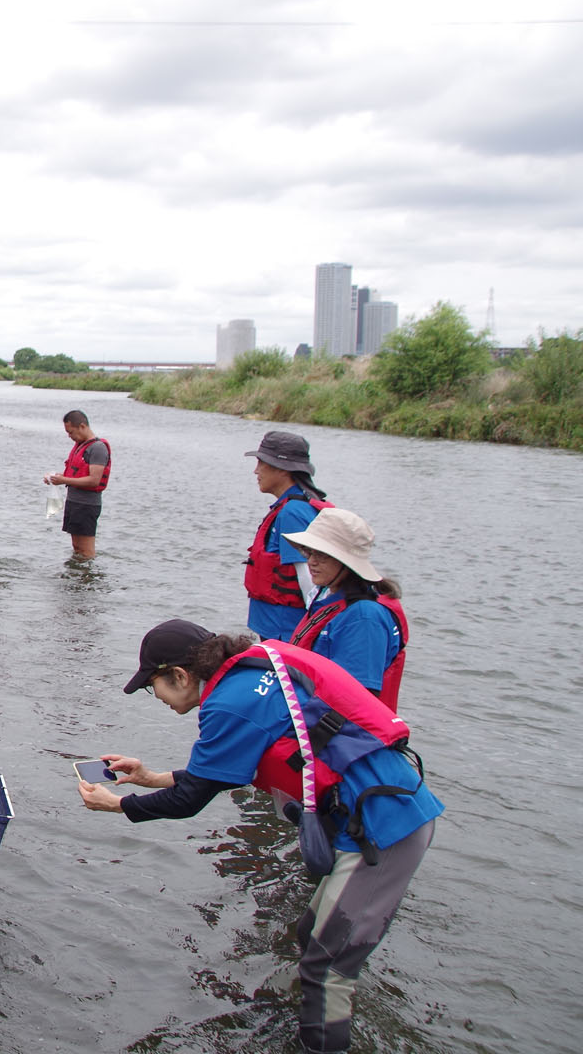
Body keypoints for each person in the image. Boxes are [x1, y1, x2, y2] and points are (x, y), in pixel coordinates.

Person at [80, 619, 442, 1054]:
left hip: (384, 828)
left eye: (150, 685)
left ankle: (321, 1045)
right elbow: (220, 773)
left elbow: (191, 800)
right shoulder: (249, 677)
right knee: (313, 934)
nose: (153, 696)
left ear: (179, 675)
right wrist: (152, 777)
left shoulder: (228, 704)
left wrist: (117, 805)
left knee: (327, 965)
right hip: (381, 807)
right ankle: (309, 1022)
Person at [284, 509, 409, 707]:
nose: (311, 561)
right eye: (309, 552)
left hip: (337, 732)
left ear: (345, 562)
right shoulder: (330, 596)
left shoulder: (364, 617)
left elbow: (355, 702)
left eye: (322, 555)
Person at [243, 431, 331, 640]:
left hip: (286, 631)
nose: (256, 471)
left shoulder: (293, 513)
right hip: (278, 628)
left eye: (261, 463)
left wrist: (313, 629)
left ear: (282, 469)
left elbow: (309, 577)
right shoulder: (295, 506)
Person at [44, 409, 110, 560]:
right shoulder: (81, 445)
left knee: (86, 551)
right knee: (77, 547)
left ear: (82, 426)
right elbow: (76, 475)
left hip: (87, 505)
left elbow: (94, 480)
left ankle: (87, 579)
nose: (70, 436)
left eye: (71, 432)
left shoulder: (98, 448)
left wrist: (64, 480)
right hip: (75, 502)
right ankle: (77, 579)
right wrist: (56, 478)